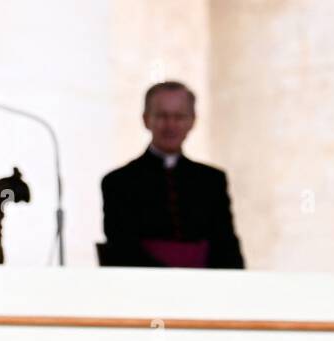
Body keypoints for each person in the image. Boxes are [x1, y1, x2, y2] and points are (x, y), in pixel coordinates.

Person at [100, 81, 244, 269]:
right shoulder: (118, 182)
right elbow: (122, 246)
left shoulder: (212, 180)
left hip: (206, 288)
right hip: (145, 286)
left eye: (179, 116)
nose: (170, 125)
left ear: (192, 121)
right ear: (145, 119)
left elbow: (226, 244)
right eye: (161, 116)